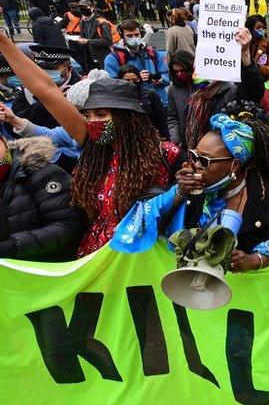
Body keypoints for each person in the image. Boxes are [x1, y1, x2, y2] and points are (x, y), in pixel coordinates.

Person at [1, 29, 183, 257]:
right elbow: (47, 91)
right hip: (95, 259)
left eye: (101, 114)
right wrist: (3, 42)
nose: (92, 121)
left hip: (145, 259)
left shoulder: (167, 155)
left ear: (126, 118)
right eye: (88, 115)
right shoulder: (94, 145)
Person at [112, 105, 269, 272]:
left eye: (204, 161)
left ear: (235, 165)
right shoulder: (193, 192)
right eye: (194, 155)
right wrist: (179, 193)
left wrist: (256, 260)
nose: (193, 164)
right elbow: (148, 227)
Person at [165, 32, 265, 148]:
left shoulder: (227, 90)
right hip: (190, 148)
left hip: (217, 150)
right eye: (177, 72)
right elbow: (173, 117)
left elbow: (253, 93)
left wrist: (246, 56)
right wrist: (176, 139)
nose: (180, 74)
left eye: (183, 70)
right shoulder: (185, 92)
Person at [0, 134, 86, 261]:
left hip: (48, 268)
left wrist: (13, 246)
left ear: (4, 141)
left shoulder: (44, 173)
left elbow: (68, 226)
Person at [103, 19, 170, 103]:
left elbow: (168, 77)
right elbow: (112, 86)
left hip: (159, 102)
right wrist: (135, 80)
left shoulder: (153, 53)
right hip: (133, 104)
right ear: (122, 36)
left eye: (136, 34)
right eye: (129, 36)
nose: (134, 38)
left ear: (141, 34)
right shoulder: (113, 58)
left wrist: (159, 79)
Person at [74, 0, 119, 71]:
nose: (83, 9)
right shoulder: (82, 22)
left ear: (92, 8)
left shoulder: (101, 22)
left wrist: (88, 41)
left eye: (85, 7)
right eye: (81, 8)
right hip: (90, 58)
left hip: (103, 57)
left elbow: (108, 41)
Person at [244, 14, 269, 80]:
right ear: (250, 28)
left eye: (263, 28)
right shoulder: (242, 44)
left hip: (261, 82)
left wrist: (255, 66)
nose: (261, 30)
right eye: (258, 27)